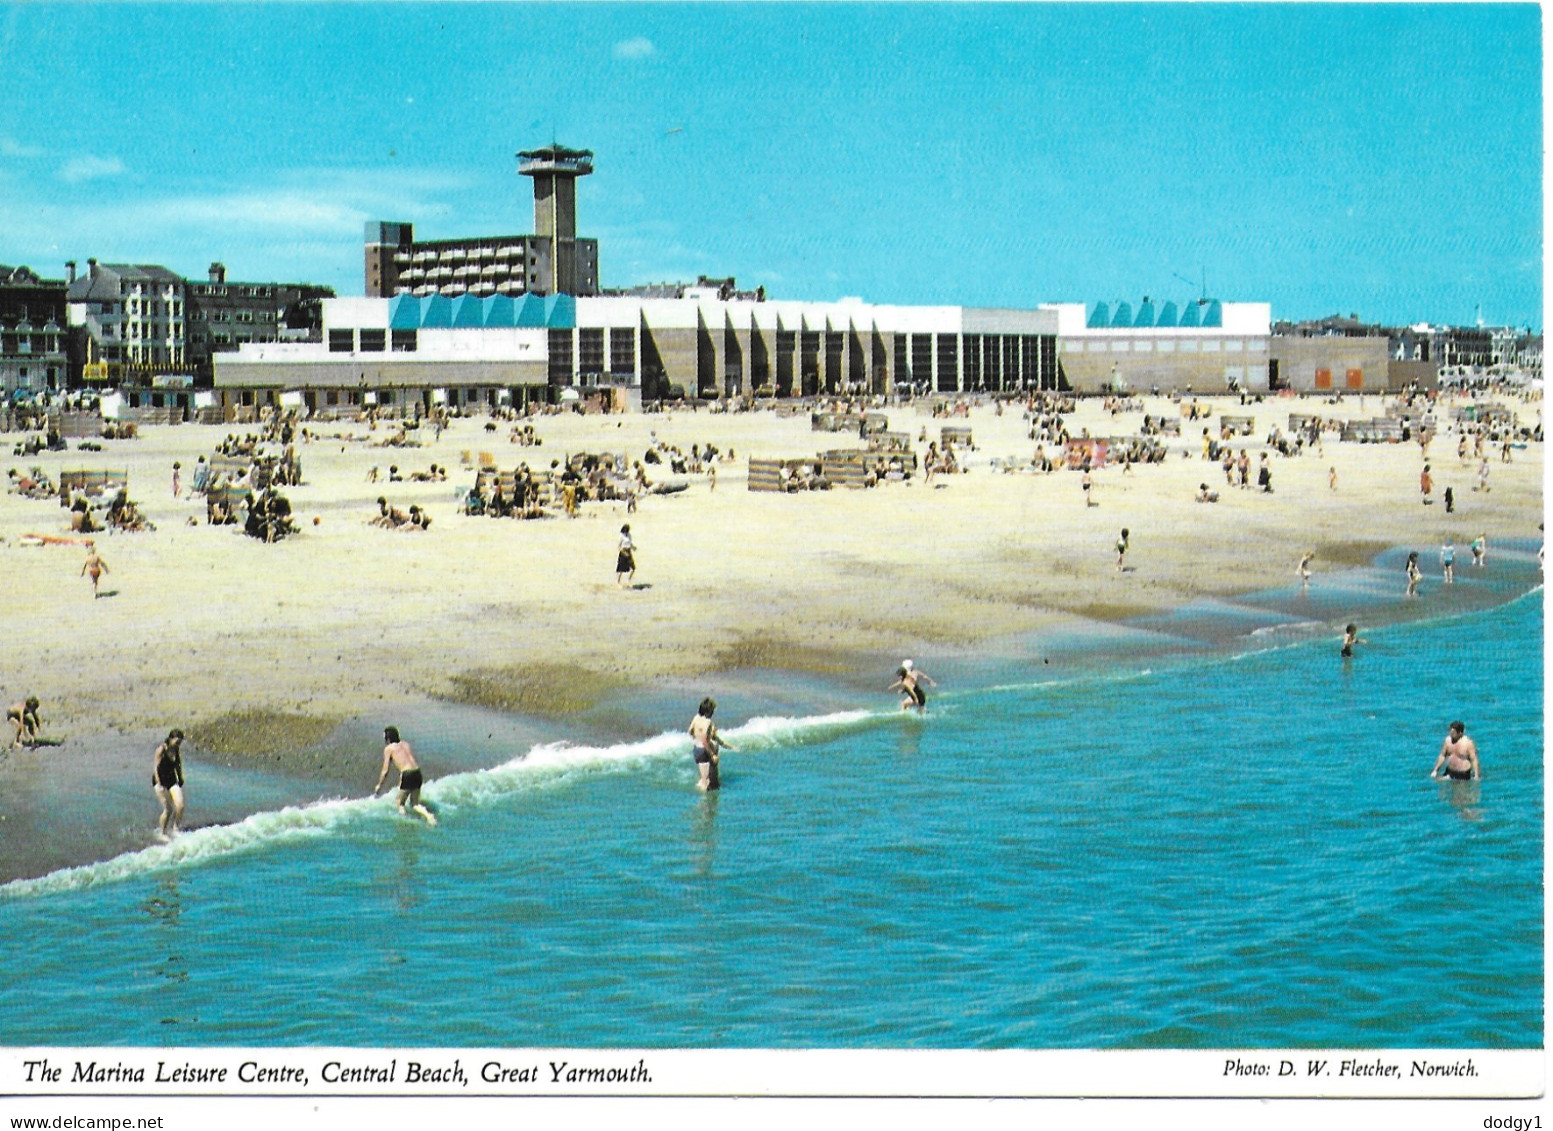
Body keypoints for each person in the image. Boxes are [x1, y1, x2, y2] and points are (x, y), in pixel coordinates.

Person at [374, 726, 437, 825]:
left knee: (399, 803)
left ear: (388, 739)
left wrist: (379, 785)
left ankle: (405, 822)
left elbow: (385, 771)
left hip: (407, 774)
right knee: (415, 803)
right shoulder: (405, 744)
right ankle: (428, 816)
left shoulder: (389, 749)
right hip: (417, 772)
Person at [688, 697, 735, 791]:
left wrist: (697, 737)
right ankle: (704, 804)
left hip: (696, 749)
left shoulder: (696, 718)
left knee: (703, 779)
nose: (713, 712)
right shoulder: (708, 722)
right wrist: (712, 755)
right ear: (708, 711)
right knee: (706, 782)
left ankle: (703, 798)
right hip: (704, 750)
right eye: (712, 710)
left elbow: (690, 731)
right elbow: (705, 740)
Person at [152, 729, 186, 840]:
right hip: (160, 781)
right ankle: (161, 832)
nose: (178, 744)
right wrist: (159, 783)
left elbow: (178, 764)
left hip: (171, 780)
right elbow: (156, 767)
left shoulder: (176, 749)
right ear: (170, 739)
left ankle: (175, 828)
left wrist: (180, 777)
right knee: (168, 809)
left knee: (180, 805)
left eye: (180, 742)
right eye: (177, 741)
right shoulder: (161, 749)